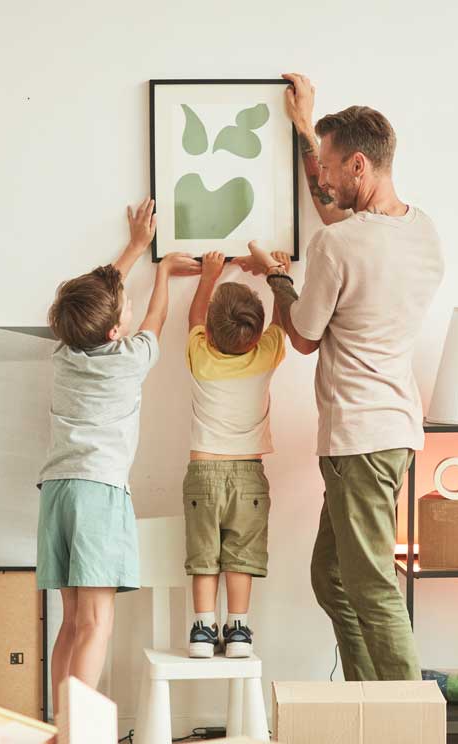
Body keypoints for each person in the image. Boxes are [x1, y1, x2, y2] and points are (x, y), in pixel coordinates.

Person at [237, 73, 445, 681]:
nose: (321, 179)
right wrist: (306, 129)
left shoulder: (338, 248)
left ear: (359, 164)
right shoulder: (424, 232)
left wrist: (275, 276)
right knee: (331, 576)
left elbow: (301, 336)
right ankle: (365, 701)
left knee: (372, 586)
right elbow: (337, 219)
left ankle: (405, 720)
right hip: (393, 432)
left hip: (358, 439)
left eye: (329, 166)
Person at [36, 199, 200, 710]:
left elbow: (102, 297)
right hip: (98, 493)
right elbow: (156, 318)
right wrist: (165, 275)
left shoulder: (63, 354)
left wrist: (134, 248)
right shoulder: (130, 359)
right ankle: (79, 734)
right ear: (114, 332)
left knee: (71, 623)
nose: (129, 306)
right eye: (121, 307)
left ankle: (61, 727)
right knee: (97, 624)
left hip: (57, 494)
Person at [183, 250, 289, 658]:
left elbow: (193, 316)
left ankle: (203, 629)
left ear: (209, 334)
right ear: (256, 334)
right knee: (240, 556)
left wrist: (208, 275)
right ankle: (239, 630)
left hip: (203, 470)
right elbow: (282, 322)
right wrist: (279, 276)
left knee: (204, 554)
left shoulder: (200, 355)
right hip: (249, 475)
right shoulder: (266, 355)